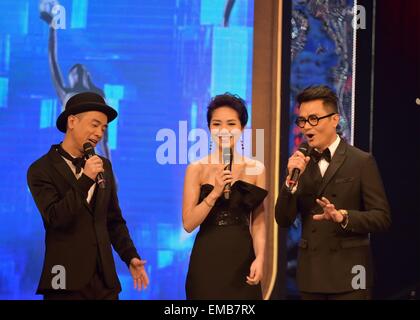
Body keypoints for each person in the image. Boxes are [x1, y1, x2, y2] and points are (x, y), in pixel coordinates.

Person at [27, 92, 149, 300]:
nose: (99, 132)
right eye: (94, 124)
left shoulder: (104, 166)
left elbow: (113, 220)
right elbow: (56, 218)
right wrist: (85, 179)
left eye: (103, 128)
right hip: (63, 278)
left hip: (104, 280)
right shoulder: (41, 169)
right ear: (72, 121)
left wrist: (130, 256)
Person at [275, 85, 391, 300]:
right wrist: (290, 182)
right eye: (302, 120)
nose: (306, 127)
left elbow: (382, 218)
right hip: (311, 274)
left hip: (352, 274)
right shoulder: (298, 165)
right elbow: (283, 218)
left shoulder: (361, 161)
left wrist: (343, 216)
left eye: (314, 119)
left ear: (335, 119)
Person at [183, 93, 268, 299]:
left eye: (231, 123)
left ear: (242, 128)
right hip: (207, 258)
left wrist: (260, 258)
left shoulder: (256, 168)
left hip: (242, 258)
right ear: (209, 128)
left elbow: (257, 222)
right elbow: (188, 223)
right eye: (216, 123)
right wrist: (214, 193)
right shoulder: (197, 169)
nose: (224, 130)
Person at [40, 0, 111, 160]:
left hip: (91, 156)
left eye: (82, 69)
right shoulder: (65, 93)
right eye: (74, 70)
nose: (78, 70)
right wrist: (53, 29)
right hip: (70, 151)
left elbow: (104, 139)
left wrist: (109, 168)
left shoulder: (98, 95)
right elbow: (52, 58)